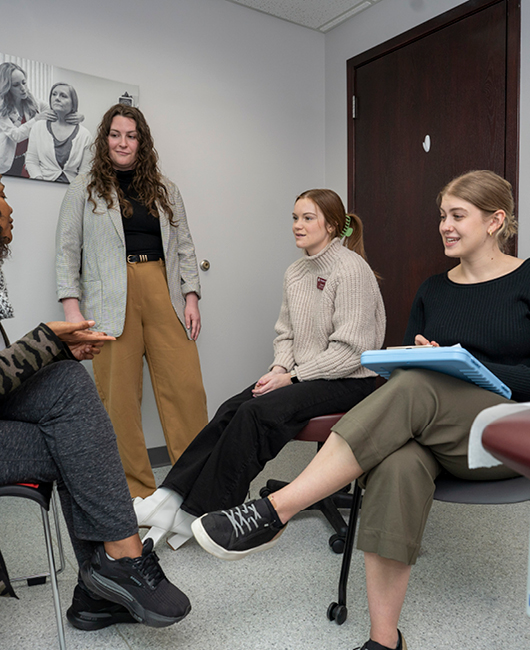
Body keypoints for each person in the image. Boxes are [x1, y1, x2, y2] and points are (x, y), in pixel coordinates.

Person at [192, 170, 528, 650]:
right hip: (434, 429)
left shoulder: (527, 279)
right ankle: (384, 641)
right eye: (442, 216)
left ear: (496, 221)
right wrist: (425, 357)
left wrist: (471, 369)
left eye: (458, 215)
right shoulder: (434, 288)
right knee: (396, 463)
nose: (445, 226)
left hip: (504, 434)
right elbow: (406, 372)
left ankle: (276, 511)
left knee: (420, 386)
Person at [0, 147, 190, 632]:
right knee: (69, 441)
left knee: (67, 384)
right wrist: (45, 343)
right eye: (1, 197)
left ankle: (110, 574)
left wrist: (54, 350)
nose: (9, 208)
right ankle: (109, 575)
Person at [134, 189, 386, 550]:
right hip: (304, 373)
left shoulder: (351, 269)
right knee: (232, 407)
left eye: (308, 218)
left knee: (257, 414)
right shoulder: (296, 272)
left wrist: (292, 377)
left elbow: (352, 352)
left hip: (349, 379)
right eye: (295, 218)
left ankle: (203, 512)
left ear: (332, 225)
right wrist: (279, 368)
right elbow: (286, 333)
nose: (298, 225)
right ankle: (170, 495)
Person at [56, 104, 208, 498]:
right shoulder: (83, 189)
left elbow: (186, 247)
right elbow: (66, 253)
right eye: (116, 134)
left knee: (186, 391)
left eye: (131, 135)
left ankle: (198, 487)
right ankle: (136, 493)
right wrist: (73, 315)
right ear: (104, 139)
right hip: (110, 301)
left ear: (142, 142)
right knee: (118, 402)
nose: (123, 142)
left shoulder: (165, 188)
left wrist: (191, 297)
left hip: (163, 290)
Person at [0, 63, 82, 177]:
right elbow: (16, 136)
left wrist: (76, 114)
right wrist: (36, 119)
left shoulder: (29, 98)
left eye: (24, 82)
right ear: (7, 87)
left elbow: (54, 109)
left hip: (22, 160)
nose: (23, 88)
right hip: (0, 160)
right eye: (16, 85)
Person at [26, 83, 92, 183]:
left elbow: (85, 171)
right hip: (41, 186)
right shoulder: (38, 127)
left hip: (71, 191)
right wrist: (39, 182)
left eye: (63, 96)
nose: (57, 98)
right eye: (54, 94)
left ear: (73, 103)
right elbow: (31, 161)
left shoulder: (85, 135)